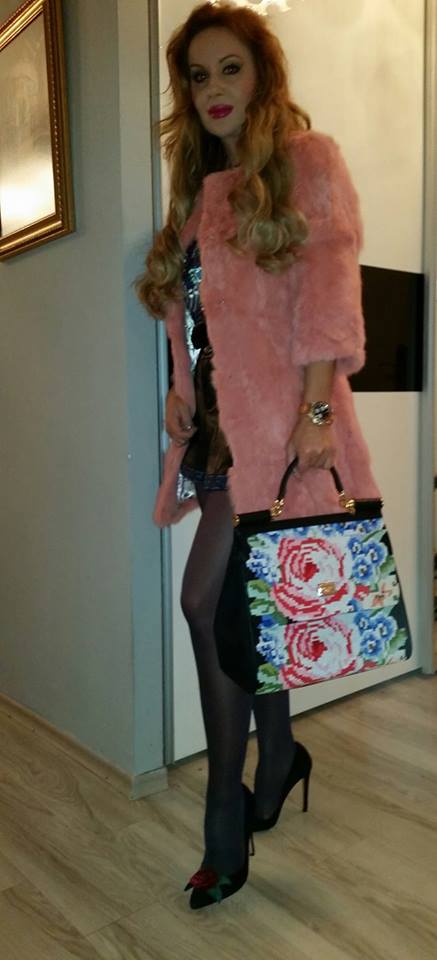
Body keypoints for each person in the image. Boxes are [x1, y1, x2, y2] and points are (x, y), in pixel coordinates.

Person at [137, 0, 380, 910]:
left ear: (261, 75)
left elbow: (329, 294)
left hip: (276, 429)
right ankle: (277, 753)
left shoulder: (305, 164)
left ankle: (223, 814)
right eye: (198, 76)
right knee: (250, 610)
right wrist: (178, 385)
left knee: (203, 601)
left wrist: (316, 413)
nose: (213, 90)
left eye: (229, 68)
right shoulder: (197, 195)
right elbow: (198, 323)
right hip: (212, 435)